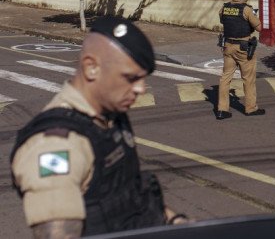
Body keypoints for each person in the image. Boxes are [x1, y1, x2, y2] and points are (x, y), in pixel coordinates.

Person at [10, 17, 189, 238]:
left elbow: (132, 196)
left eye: (143, 79)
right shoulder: (55, 145)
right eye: (131, 78)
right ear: (91, 67)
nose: (141, 89)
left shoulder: (112, 116)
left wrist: (177, 221)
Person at [217, 0, 264, 120]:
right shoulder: (247, 9)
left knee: (225, 78)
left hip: (228, 46)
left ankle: (222, 110)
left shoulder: (224, 8)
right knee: (248, 79)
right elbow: (259, 27)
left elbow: (224, 21)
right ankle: (250, 108)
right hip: (243, 48)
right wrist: (254, 15)